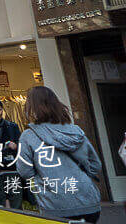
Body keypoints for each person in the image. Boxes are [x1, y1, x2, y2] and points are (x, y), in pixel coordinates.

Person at [16, 86, 102, 223]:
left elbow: (24, 171)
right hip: (88, 200)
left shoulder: (28, 136)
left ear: (32, 108)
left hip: (54, 204)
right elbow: (95, 165)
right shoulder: (75, 131)